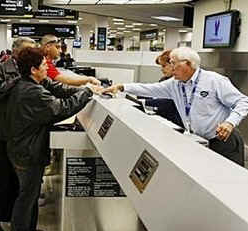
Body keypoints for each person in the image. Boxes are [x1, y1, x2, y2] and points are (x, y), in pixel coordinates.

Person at [6, 47, 94, 231]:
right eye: (44, 65)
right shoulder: (31, 92)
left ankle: (27, 230)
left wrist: (85, 88)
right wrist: (87, 93)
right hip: (27, 152)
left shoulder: (30, 83)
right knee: (26, 197)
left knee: (31, 194)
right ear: (34, 69)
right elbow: (61, 109)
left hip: (22, 148)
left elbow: (59, 90)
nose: (48, 67)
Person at [102, 47, 248, 166]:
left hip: (224, 141)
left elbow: (242, 102)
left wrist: (230, 123)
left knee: (230, 185)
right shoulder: (175, 84)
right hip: (200, 141)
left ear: (188, 64)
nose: (171, 68)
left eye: (173, 63)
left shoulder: (214, 81)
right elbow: (150, 89)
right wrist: (122, 87)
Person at [0, 37, 36, 231]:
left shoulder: (27, 68)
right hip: (4, 132)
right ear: (17, 51)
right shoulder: (3, 67)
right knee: (1, 175)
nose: (32, 54)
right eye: (28, 51)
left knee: (16, 178)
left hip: (20, 132)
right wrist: (16, 80)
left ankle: (8, 214)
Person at [143, 50, 184, 128]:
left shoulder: (180, 82)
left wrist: (144, 101)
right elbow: (155, 93)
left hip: (175, 124)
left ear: (173, 64)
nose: (161, 69)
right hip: (163, 119)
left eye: (164, 66)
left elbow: (169, 102)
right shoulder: (164, 79)